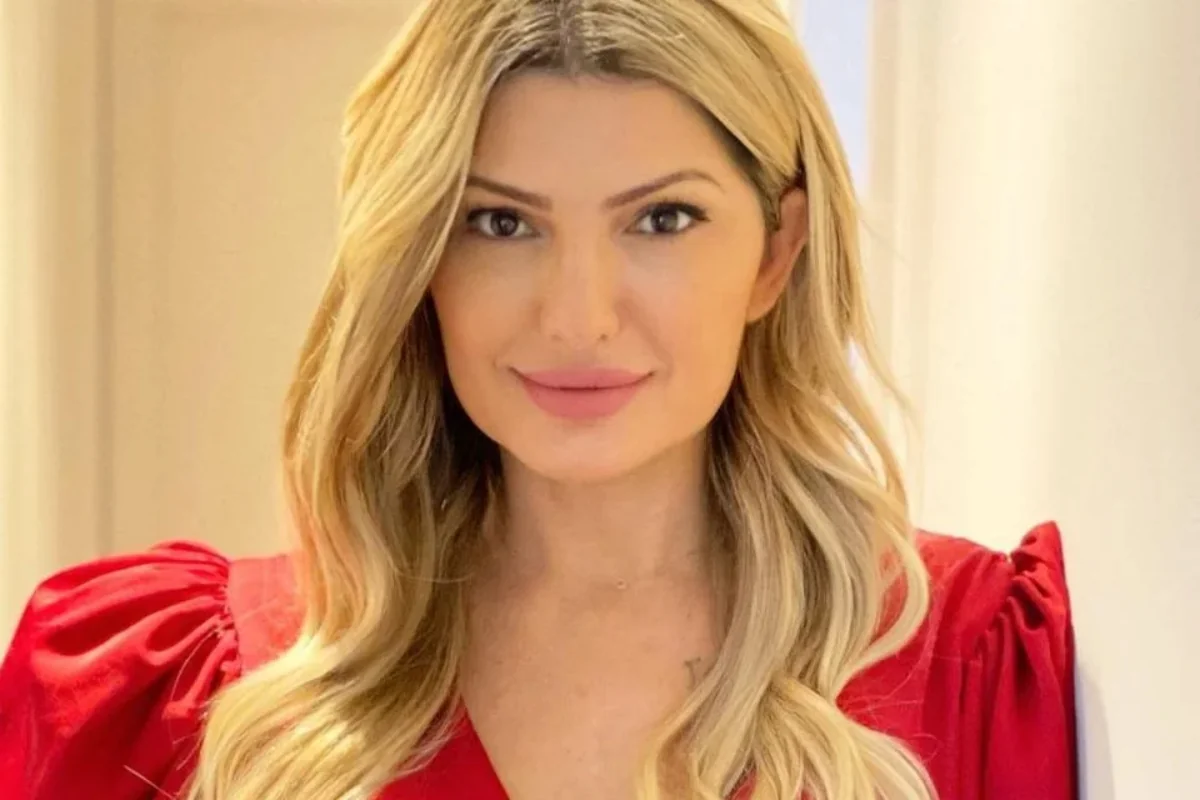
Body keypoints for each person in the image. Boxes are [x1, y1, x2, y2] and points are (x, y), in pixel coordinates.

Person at [0, 1, 1076, 798]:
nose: (578, 317)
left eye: (662, 219)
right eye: (501, 223)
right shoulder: (167, 694)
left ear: (775, 252)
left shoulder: (974, 669)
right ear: (420, 258)